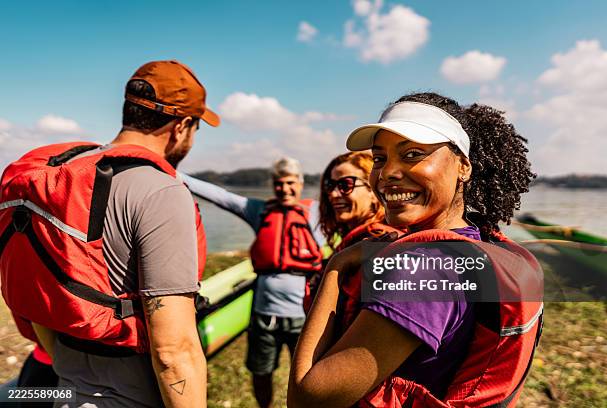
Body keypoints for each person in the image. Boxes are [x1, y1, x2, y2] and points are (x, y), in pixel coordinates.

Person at [288, 92, 543, 407]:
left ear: (464, 166)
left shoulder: (427, 266)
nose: (388, 173)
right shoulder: (474, 239)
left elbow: (306, 399)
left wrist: (336, 267)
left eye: (411, 154)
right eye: (380, 158)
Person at [0, 60, 218, 407]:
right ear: (183, 127)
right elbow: (173, 351)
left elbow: (41, 294)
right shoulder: (160, 191)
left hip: (68, 386)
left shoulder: (64, 179)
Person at [181, 158, 324, 408]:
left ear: (300, 184)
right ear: (273, 185)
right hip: (264, 315)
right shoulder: (259, 210)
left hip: (305, 316)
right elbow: (220, 196)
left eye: (290, 182)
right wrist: (172, 173)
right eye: (279, 183)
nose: (285, 188)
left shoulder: (317, 213)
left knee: (308, 377)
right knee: (261, 371)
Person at [303, 151, 397, 313]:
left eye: (346, 185)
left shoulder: (378, 243)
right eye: (330, 186)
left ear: (373, 190)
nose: (333, 194)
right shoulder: (354, 240)